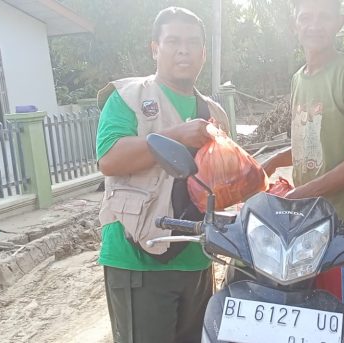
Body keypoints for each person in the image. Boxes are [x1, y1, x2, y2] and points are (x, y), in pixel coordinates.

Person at [95, 7, 230, 343]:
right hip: (136, 256)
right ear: (155, 48)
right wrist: (176, 136)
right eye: (173, 41)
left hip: (196, 259)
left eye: (192, 42)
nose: (183, 50)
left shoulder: (214, 113)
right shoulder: (128, 96)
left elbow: (227, 180)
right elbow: (110, 159)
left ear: (203, 52)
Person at [261, 0, 344, 342]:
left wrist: (301, 194)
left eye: (323, 17)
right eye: (306, 17)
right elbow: (309, 137)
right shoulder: (298, 78)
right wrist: (267, 164)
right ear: (294, 24)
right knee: (315, 325)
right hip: (307, 229)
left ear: (339, 23)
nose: (314, 25)